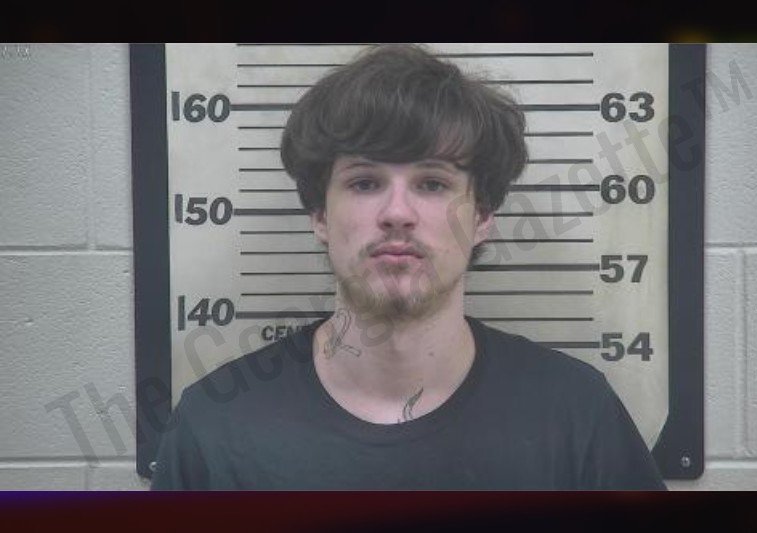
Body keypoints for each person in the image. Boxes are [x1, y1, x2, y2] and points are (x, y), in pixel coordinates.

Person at [150, 44, 666, 490]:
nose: (397, 213)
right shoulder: (214, 429)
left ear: (482, 217)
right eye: (365, 182)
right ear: (320, 215)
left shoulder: (577, 417)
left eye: (433, 184)